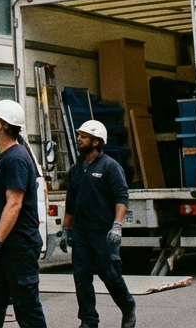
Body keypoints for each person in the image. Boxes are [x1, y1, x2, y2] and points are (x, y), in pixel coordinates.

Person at [58, 120, 136, 328]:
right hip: (81, 233)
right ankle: (89, 321)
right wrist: (66, 230)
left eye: (83, 136)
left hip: (104, 232)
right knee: (81, 278)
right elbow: (71, 204)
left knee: (110, 275)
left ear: (95, 142)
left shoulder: (110, 166)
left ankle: (128, 306)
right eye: (79, 135)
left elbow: (121, 198)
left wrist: (117, 226)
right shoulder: (75, 171)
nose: (78, 139)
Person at [0, 100, 46, 328]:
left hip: (18, 248)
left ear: (0, 126)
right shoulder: (7, 156)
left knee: (26, 308)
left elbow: (14, 203)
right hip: (3, 247)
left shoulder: (15, 158)